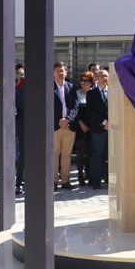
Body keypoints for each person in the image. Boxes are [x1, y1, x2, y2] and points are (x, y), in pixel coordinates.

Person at [52, 62, 77, 190]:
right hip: (55, 128)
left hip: (69, 127)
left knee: (67, 156)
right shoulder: (49, 87)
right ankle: (54, 181)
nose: (60, 73)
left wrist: (67, 119)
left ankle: (65, 181)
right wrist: (58, 120)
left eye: (62, 71)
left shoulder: (71, 87)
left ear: (66, 72)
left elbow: (75, 106)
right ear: (53, 73)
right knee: (54, 155)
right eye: (57, 71)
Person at [70, 72, 95, 186]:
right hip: (80, 127)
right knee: (80, 152)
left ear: (91, 83)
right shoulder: (76, 93)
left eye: (86, 80)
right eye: (82, 80)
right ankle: (80, 176)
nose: (84, 82)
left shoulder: (93, 94)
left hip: (92, 126)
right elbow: (74, 110)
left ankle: (89, 175)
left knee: (90, 152)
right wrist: (81, 123)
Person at [86, 70, 109, 189]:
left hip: (112, 129)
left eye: (106, 76)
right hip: (98, 128)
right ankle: (96, 181)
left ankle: (108, 179)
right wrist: (104, 122)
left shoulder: (114, 92)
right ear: (96, 78)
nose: (104, 78)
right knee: (97, 155)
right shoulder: (91, 93)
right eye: (101, 76)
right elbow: (90, 111)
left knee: (109, 155)